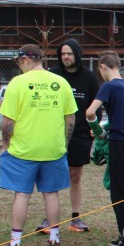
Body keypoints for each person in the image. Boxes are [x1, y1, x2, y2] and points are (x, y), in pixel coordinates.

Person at [0, 44, 77, 246]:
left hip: (22, 150)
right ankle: (54, 241)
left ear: (24, 60)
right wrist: (64, 144)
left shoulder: (17, 83)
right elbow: (70, 118)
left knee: (22, 194)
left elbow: (7, 121)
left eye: (19, 63)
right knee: (51, 194)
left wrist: (6, 144)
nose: (19, 67)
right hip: (53, 149)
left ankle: (15, 244)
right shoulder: (61, 82)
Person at [35, 38, 99, 235]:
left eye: (69, 53)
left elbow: (96, 105)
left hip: (79, 135)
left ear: (77, 55)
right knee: (51, 175)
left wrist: (93, 128)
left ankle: (75, 218)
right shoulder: (52, 75)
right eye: (63, 54)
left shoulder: (89, 77)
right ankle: (49, 218)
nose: (66, 57)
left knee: (75, 176)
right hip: (53, 134)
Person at [86, 51, 124, 246]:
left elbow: (90, 112)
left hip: (120, 145)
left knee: (120, 194)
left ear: (103, 66)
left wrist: (99, 132)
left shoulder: (109, 86)